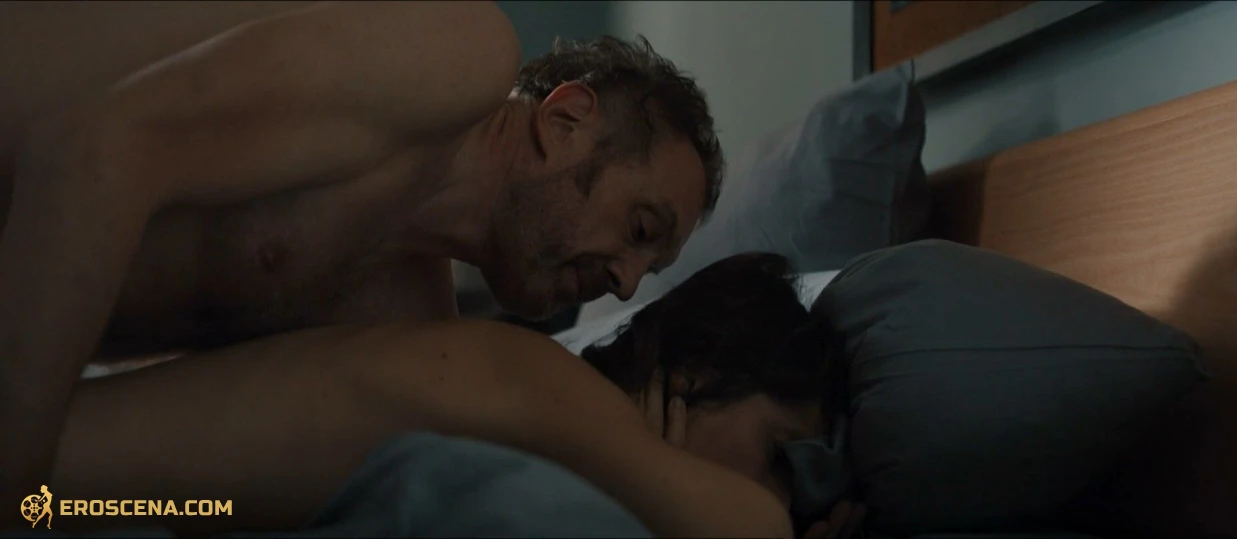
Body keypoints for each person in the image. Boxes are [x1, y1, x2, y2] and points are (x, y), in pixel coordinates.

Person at [0, 1, 725, 511]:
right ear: (565, 119)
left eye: (648, 269)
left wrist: (627, 478)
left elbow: (187, 484)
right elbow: (93, 152)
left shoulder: (404, 326)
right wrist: (17, 494)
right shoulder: (454, 49)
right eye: (640, 229)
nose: (625, 284)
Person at [41, 253, 857, 538]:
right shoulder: (552, 391)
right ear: (696, 374)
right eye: (778, 454)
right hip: (52, 503)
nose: (778, 493)